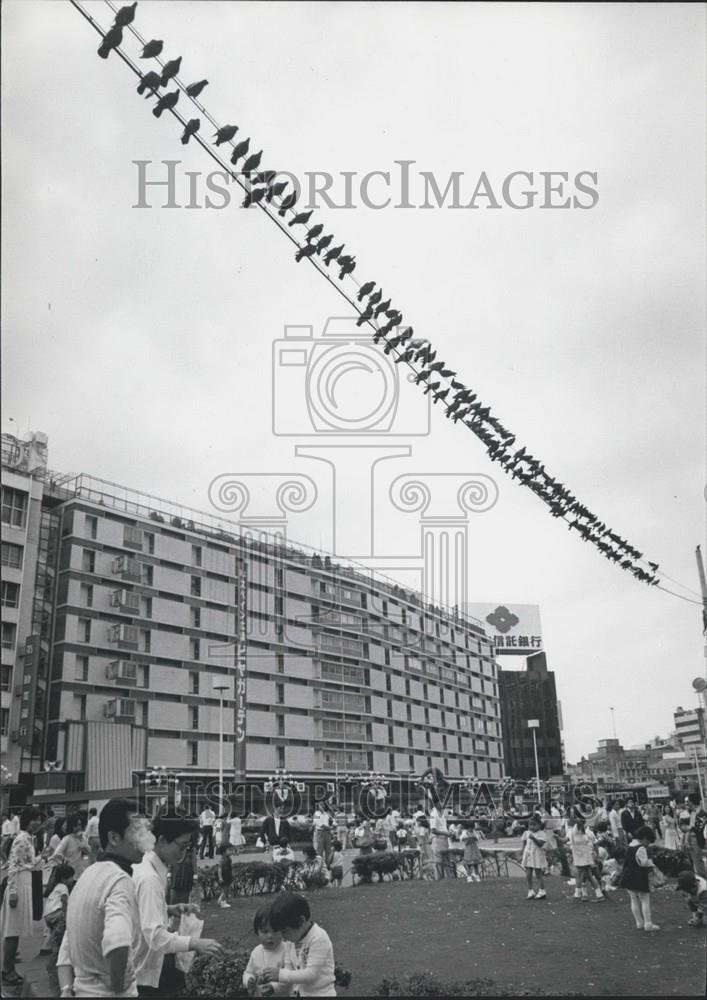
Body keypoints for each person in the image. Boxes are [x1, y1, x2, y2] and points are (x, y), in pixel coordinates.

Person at [56, 798, 153, 997]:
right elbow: (118, 939)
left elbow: (68, 945)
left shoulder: (87, 877)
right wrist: (117, 983)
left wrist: (66, 989)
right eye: (138, 832)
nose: (147, 840)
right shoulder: (119, 880)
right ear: (114, 838)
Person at [132, 814, 223, 996]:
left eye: (187, 847)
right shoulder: (149, 878)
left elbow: (139, 911)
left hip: (144, 965)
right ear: (162, 841)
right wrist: (195, 943)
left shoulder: (148, 867)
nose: (184, 853)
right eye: (182, 846)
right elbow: (155, 936)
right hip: (147, 971)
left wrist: (168, 909)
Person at [0, 806, 44, 989]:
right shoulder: (21, 838)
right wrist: (12, 891)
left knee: (16, 930)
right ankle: (6, 970)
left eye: (39, 820)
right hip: (17, 883)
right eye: (34, 819)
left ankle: (9, 969)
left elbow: (27, 862)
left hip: (25, 881)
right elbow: (13, 865)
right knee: (12, 930)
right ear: (27, 819)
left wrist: (41, 858)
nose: (37, 823)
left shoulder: (28, 838)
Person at [262, 892, 336, 996]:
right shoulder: (291, 941)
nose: (283, 937)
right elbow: (289, 972)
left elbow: (311, 975)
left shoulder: (318, 938)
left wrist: (280, 974)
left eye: (285, 931)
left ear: (301, 921)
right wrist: (273, 986)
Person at [242, 906, 295, 996]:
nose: (270, 936)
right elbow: (248, 972)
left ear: (282, 930)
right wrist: (248, 980)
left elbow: (289, 977)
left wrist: (273, 987)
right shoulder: (256, 952)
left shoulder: (287, 950)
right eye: (265, 931)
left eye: (275, 931)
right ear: (257, 932)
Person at [620, 824, 659, 932]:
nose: (648, 844)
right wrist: (651, 863)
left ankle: (639, 922)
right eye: (648, 841)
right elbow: (643, 863)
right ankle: (648, 923)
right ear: (644, 837)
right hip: (639, 877)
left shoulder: (630, 845)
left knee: (633, 899)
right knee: (645, 900)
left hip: (628, 876)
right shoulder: (640, 848)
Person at [43, 864, 75, 996]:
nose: (72, 880)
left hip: (49, 916)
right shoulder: (63, 887)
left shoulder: (55, 887)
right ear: (64, 878)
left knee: (55, 939)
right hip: (57, 914)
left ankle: (50, 952)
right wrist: (69, 918)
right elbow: (65, 902)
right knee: (61, 937)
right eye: (71, 877)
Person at [569, 816, 604, 903]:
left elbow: (595, 844)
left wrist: (597, 855)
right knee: (587, 876)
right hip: (583, 857)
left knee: (581, 875)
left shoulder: (588, 833)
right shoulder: (574, 831)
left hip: (587, 856)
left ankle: (579, 894)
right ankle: (597, 894)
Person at [48, 812, 90, 877]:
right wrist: (64, 862)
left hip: (80, 871)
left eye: (80, 825)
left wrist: (82, 843)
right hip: (69, 873)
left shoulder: (83, 838)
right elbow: (56, 854)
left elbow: (89, 851)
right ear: (71, 826)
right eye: (75, 825)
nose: (78, 827)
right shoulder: (67, 839)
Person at [521, 817, 547, 901]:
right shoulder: (526, 833)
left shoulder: (542, 834)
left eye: (534, 824)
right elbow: (524, 843)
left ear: (539, 825)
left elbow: (540, 844)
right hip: (528, 855)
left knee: (538, 874)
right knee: (528, 874)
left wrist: (534, 838)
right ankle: (530, 890)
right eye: (530, 824)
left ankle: (542, 890)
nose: (531, 827)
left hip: (537, 855)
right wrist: (522, 852)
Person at [217, 843, 234, 909]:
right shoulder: (222, 860)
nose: (231, 851)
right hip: (224, 876)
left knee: (226, 889)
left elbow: (230, 867)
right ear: (224, 852)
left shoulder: (228, 858)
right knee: (224, 889)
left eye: (231, 850)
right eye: (229, 850)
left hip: (228, 875)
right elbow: (219, 869)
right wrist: (220, 877)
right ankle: (223, 903)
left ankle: (221, 899)